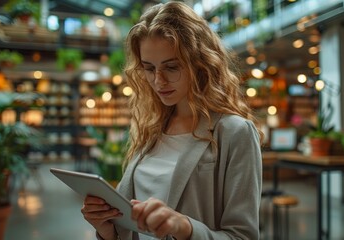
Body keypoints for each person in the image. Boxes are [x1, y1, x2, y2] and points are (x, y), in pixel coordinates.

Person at [81, 2, 263, 240]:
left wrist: (184, 227)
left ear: (200, 63)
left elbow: (243, 236)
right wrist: (107, 230)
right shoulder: (151, 127)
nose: (158, 81)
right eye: (149, 68)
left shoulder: (234, 132)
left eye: (172, 67)